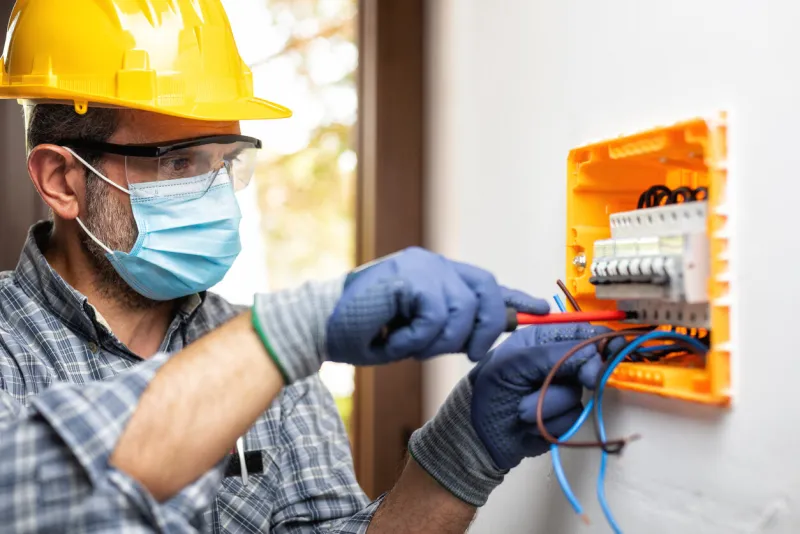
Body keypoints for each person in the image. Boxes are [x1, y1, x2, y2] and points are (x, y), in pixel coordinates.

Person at [0, 1, 610, 532]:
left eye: (226, 159)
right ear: (63, 179)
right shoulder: (267, 350)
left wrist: (459, 454)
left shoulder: (276, 375)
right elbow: (24, 493)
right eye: (179, 162)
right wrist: (291, 332)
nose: (217, 193)